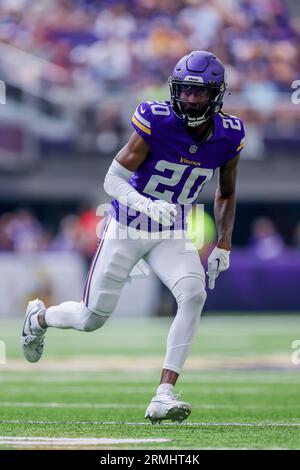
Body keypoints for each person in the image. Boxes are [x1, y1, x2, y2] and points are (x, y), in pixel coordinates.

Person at [21, 51, 245, 424]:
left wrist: (224, 241)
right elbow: (112, 180)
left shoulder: (229, 135)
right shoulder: (156, 121)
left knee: (193, 294)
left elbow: (226, 191)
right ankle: (39, 318)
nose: (190, 99)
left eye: (199, 93)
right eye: (185, 91)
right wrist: (144, 203)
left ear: (217, 96)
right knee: (92, 319)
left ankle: (164, 393)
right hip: (126, 226)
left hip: (171, 231)